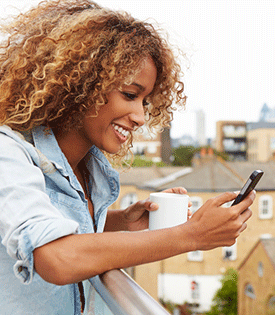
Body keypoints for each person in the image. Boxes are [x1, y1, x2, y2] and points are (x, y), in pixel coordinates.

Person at [0, 1, 255, 314]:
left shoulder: (88, 166)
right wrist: (191, 236)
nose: (139, 117)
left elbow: (57, 222)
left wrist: (122, 222)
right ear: (80, 84)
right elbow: (56, 257)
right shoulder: (7, 154)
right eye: (130, 94)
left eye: (145, 102)